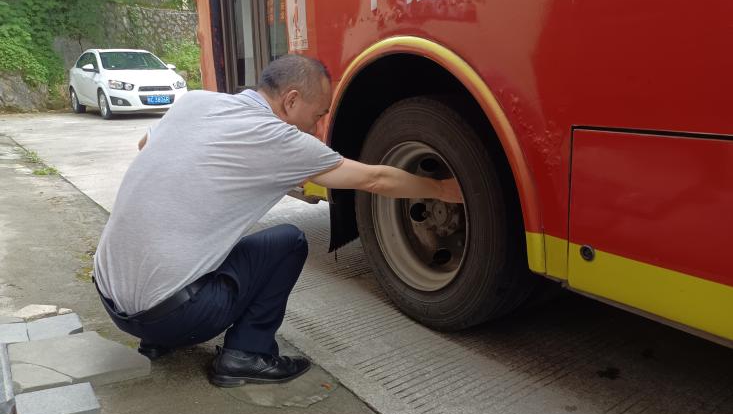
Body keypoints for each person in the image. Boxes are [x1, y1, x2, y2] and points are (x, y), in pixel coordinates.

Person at [93, 54, 462, 388]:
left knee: (197, 237)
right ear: (291, 100)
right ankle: (246, 354)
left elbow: (145, 147)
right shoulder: (280, 140)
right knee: (288, 242)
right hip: (174, 317)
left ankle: (156, 340)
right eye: (318, 115)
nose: (318, 128)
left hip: (111, 299)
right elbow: (374, 179)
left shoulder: (195, 101)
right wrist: (442, 189)